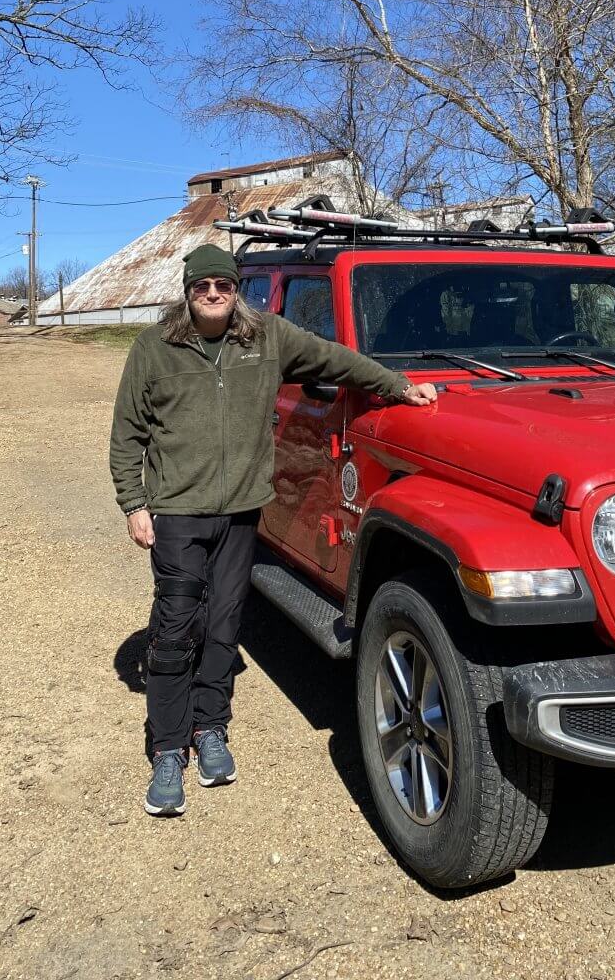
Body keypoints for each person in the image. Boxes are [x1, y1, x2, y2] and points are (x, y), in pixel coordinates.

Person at [110, 244, 437, 816]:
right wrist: (135, 504)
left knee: (224, 622)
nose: (213, 295)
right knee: (174, 623)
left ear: (236, 291)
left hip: (241, 511)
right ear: (187, 292)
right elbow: (127, 432)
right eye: (202, 286)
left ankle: (211, 728)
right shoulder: (154, 349)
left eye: (224, 286)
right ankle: (167, 747)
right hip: (178, 511)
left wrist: (397, 385)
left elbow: (334, 359)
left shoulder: (266, 337)